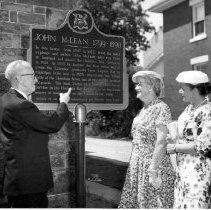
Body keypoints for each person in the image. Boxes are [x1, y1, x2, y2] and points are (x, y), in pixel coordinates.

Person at [0, 60, 71, 208]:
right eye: (32, 75)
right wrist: (63, 103)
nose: (36, 80)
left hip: (18, 177)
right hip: (29, 181)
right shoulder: (21, 105)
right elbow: (52, 125)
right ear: (19, 78)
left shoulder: (5, 100)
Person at [118, 70, 175, 208]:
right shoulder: (143, 110)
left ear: (151, 86)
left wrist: (153, 170)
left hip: (152, 166)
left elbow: (161, 141)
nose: (136, 87)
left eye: (140, 84)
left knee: (151, 203)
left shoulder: (161, 108)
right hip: (137, 165)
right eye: (136, 84)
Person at [167, 70, 211, 209]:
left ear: (195, 90)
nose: (180, 91)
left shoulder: (208, 112)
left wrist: (175, 148)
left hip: (199, 172)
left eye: (183, 88)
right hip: (183, 172)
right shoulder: (189, 109)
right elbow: (183, 134)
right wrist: (173, 136)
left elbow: (203, 146)